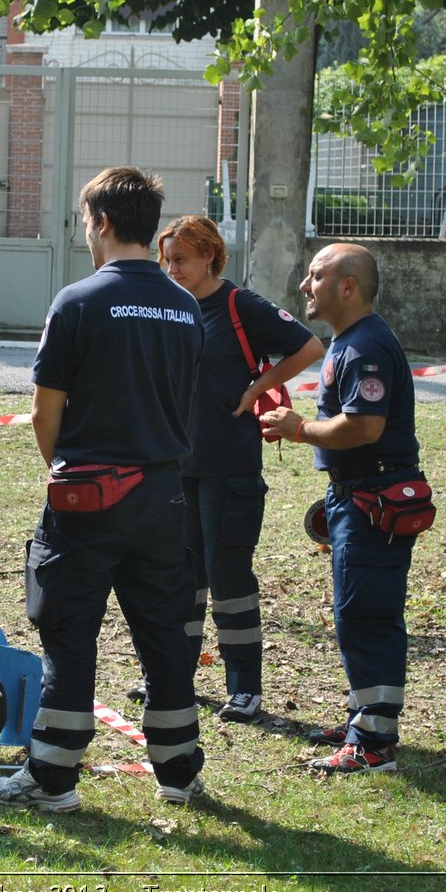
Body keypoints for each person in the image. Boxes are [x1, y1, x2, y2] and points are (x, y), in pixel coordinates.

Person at [0, 165, 206, 812]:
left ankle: (53, 778)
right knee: (165, 638)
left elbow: (43, 412)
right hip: (164, 499)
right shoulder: (187, 308)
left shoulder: (77, 302)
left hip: (86, 503)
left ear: (103, 222)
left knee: (69, 634)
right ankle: (178, 770)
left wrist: (70, 472)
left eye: (86, 222)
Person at [260, 243, 424, 774]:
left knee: (367, 613)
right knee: (355, 611)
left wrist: (299, 428)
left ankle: (374, 743)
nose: (305, 286)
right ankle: (363, 715)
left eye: (316, 276)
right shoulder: (350, 342)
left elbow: (365, 426)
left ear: (347, 286)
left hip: (373, 500)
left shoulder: (366, 347)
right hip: (354, 495)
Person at [156, 215, 324, 722]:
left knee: (228, 573)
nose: (172, 269)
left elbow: (309, 347)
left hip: (230, 466)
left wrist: (255, 388)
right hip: (178, 466)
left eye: (180, 258)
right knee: (181, 576)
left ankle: (244, 687)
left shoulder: (238, 304)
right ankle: (173, 679)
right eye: (166, 260)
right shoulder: (168, 306)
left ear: (210, 254)